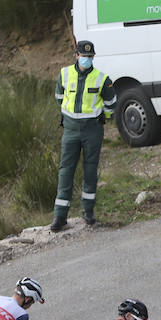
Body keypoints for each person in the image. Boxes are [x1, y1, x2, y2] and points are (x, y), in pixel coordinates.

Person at [52, 39, 117, 230]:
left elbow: (111, 103)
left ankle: (88, 212)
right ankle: (59, 216)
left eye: (90, 56)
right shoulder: (64, 74)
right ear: (76, 55)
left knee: (90, 171)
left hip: (92, 130)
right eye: (83, 56)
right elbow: (59, 97)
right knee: (65, 171)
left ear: (93, 57)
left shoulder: (102, 79)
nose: (86, 59)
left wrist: (101, 118)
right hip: (70, 130)